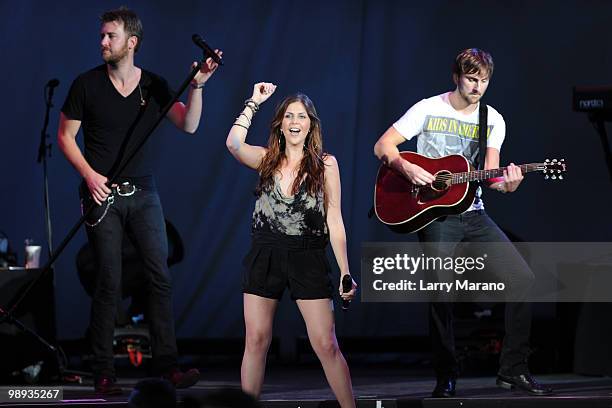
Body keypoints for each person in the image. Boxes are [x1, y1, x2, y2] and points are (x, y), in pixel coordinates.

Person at [57, 7, 221, 394]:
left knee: (159, 276)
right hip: (102, 192)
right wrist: (89, 175)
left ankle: (168, 367)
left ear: (131, 42)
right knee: (108, 280)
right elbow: (65, 137)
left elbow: (189, 125)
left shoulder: (154, 86)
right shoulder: (86, 85)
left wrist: (198, 86)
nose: (102, 42)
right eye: (101, 35)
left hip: (143, 191)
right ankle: (103, 372)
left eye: (109, 36)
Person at [373, 48, 553, 397]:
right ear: (457, 76)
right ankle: (446, 375)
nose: (478, 87)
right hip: (435, 213)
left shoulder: (493, 119)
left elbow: (493, 176)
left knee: (523, 279)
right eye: (472, 79)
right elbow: (383, 146)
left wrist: (510, 182)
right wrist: (407, 168)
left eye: (484, 80)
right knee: (441, 292)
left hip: (474, 213)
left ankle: (512, 369)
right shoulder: (427, 108)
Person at [226, 83, 357, 407]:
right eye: (289, 116)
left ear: (310, 124)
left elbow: (335, 219)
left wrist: (344, 271)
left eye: (301, 116)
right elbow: (233, 143)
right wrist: (254, 102)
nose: (295, 121)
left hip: (308, 256)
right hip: (266, 252)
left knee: (326, 344)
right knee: (256, 340)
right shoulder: (266, 159)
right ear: (281, 124)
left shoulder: (326, 164)